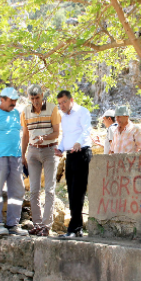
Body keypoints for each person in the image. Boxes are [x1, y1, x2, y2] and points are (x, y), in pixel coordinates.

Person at [0, 87, 29, 236]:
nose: (13, 103)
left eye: (15, 100)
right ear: (2, 99)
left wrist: (23, 156)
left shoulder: (16, 114)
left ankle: (13, 224)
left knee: (17, 191)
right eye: (11, 101)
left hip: (15, 158)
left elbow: (21, 134)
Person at [21, 84, 61, 236]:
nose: (35, 101)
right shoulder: (25, 111)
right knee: (34, 190)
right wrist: (22, 154)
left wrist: (44, 138)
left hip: (50, 150)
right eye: (32, 99)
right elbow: (25, 135)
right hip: (32, 152)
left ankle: (46, 225)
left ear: (42, 96)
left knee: (49, 189)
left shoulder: (52, 109)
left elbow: (57, 132)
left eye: (37, 98)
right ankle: (37, 224)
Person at [54, 90, 92, 239]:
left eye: (64, 102)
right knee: (71, 191)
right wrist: (60, 148)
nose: (61, 105)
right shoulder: (63, 117)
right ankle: (76, 228)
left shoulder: (83, 112)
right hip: (70, 155)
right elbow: (65, 136)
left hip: (82, 152)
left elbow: (86, 130)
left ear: (71, 100)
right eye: (59, 103)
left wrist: (78, 143)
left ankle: (74, 228)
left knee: (78, 191)